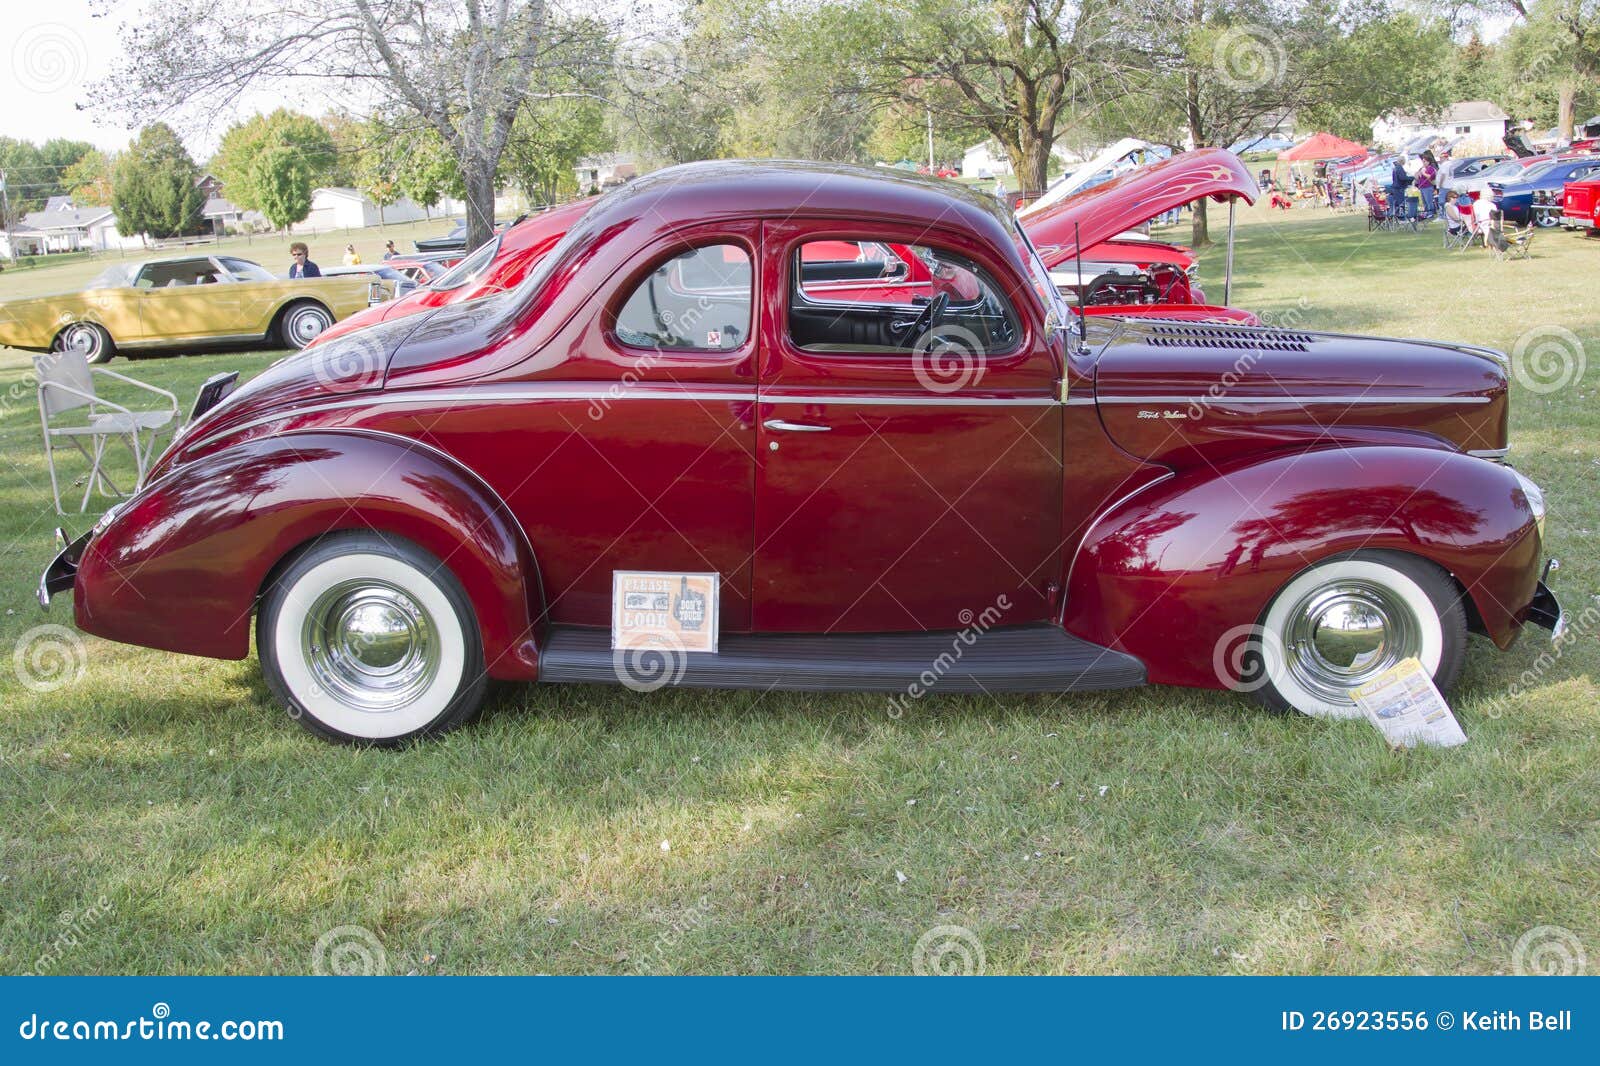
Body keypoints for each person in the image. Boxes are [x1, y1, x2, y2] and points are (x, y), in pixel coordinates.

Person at [1415, 151, 1439, 217]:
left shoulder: (1431, 168)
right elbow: (1417, 178)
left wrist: (1424, 173)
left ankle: (1431, 213)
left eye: (1425, 161)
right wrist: (1418, 173)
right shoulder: (1422, 168)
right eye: (1423, 161)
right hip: (1422, 187)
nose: (1423, 163)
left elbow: (1430, 177)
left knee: (1429, 200)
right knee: (1424, 201)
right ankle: (1426, 212)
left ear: (1428, 162)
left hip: (1428, 187)